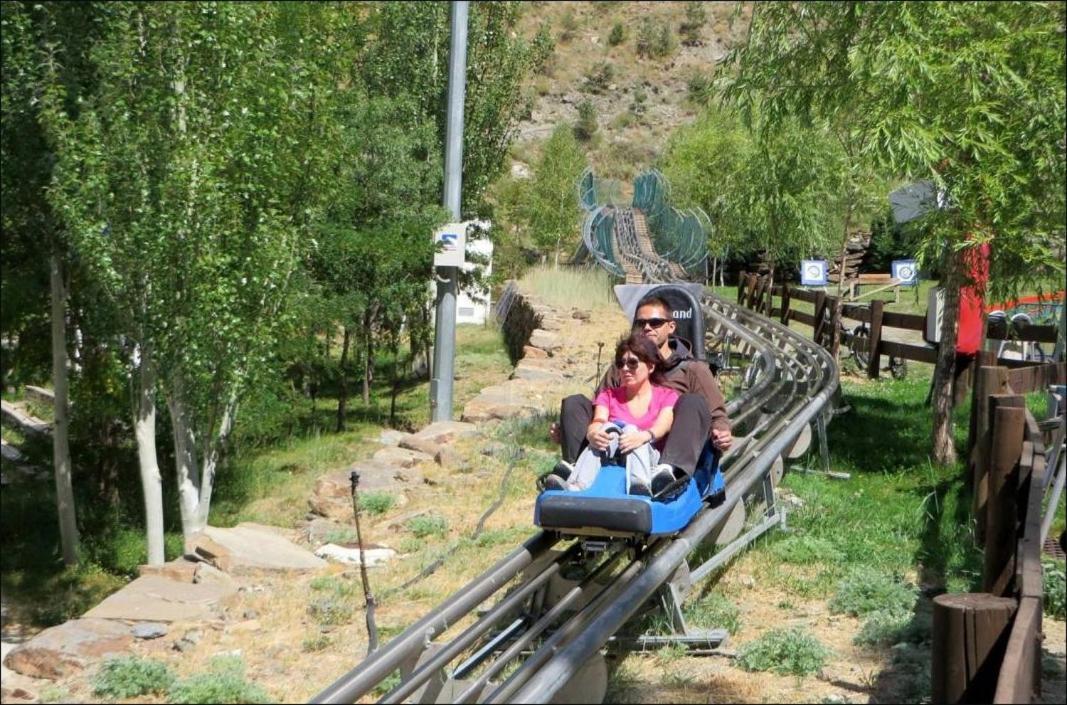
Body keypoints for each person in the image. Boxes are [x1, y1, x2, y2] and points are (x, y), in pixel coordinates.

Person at [549, 294, 732, 495]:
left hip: (661, 449)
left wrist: (721, 432)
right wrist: (569, 429)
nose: (647, 328)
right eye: (641, 323)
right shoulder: (622, 368)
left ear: (670, 327)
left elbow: (716, 414)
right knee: (575, 403)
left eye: (655, 323)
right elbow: (599, 407)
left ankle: (669, 475)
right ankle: (576, 468)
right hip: (615, 446)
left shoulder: (693, 369)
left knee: (691, 402)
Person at [542, 333, 677, 496]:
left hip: (647, 453)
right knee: (608, 429)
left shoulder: (667, 396)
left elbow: (663, 426)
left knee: (631, 430)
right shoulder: (608, 395)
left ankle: (640, 484)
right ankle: (577, 485)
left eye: (633, 363)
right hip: (613, 454)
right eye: (621, 364)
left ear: (650, 366)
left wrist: (642, 436)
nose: (625, 369)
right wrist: (593, 433)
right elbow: (599, 419)